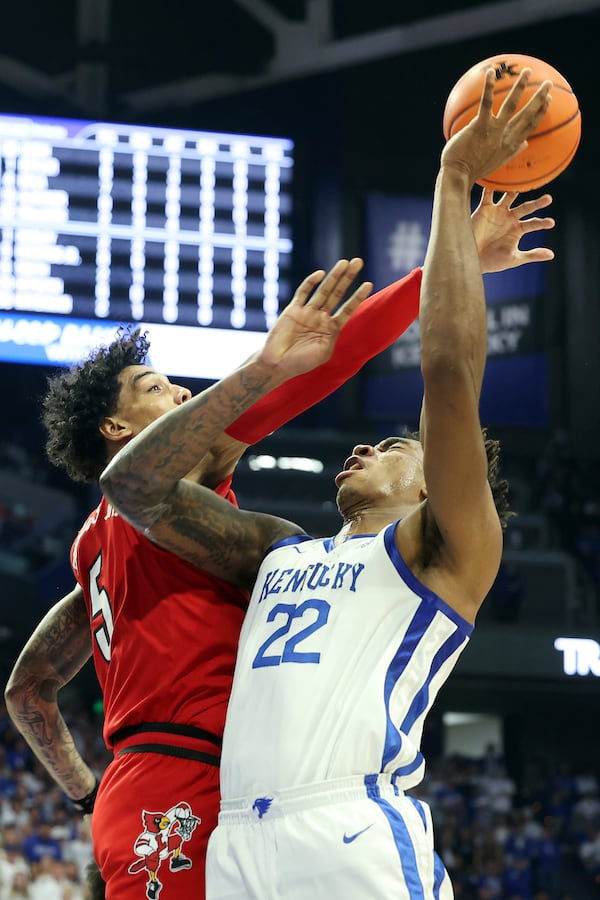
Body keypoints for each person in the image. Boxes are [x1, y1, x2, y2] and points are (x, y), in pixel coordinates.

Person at [5, 78, 555, 900]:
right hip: (190, 788)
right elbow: (329, 361)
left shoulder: (108, 553)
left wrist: (92, 791)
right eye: (158, 390)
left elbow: (28, 687)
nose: (188, 395)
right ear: (120, 431)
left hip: (183, 793)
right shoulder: (155, 495)